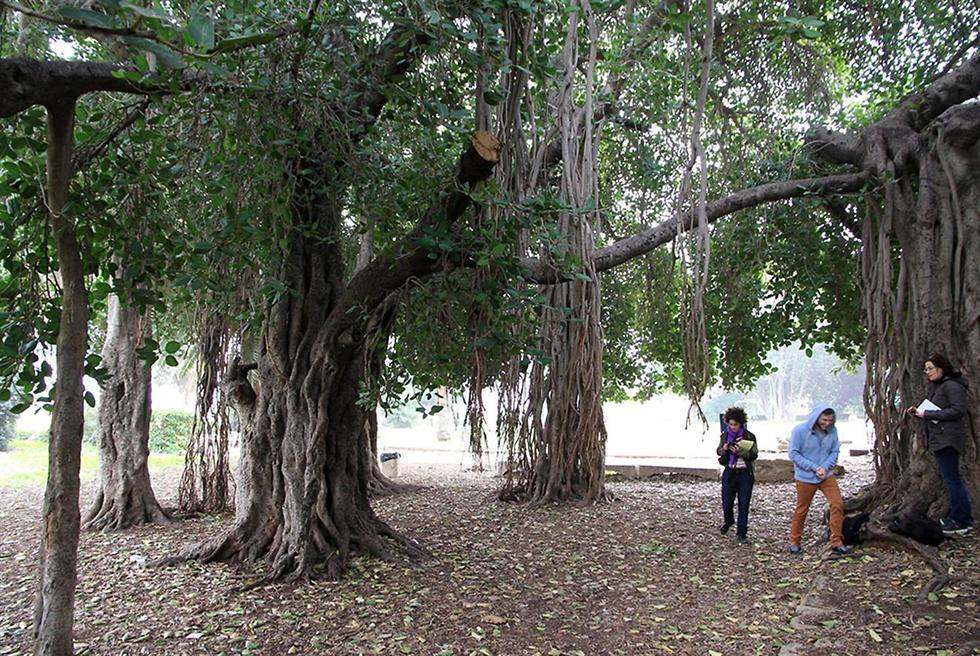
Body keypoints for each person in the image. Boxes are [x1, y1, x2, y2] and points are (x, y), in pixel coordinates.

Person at [908, 354, 974, 535]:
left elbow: (957, 410)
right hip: (938, 439)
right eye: (926, 369)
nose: (927, 372)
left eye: (930, 368)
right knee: (950, 479)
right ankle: (958, 516)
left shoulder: (952, 386)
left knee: (953, 480)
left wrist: (927, 414)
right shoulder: (937, 387)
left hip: (948, 439)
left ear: (941, 368)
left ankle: (962, 520)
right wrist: (919, 412)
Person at [788, 404, 851, 555]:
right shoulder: (800, 431)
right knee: (802, 509)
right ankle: (794, 542)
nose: (827, 423)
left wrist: (825, 467)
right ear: (816, 417)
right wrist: (814, 467)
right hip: (805, 476)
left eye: (830, 420)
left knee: (837, 504)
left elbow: (835, 451)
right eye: (824, 420)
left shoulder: (833, 431)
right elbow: (794, 454)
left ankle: (836, 541)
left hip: (826, 475)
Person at [716, 407, 759, 545]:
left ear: (741, 424)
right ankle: (728, 521)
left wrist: (741, 452)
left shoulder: (749, 436)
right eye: (731, 424)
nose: (733, 427)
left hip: (745, 473)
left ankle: (741, 533)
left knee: (744, 503)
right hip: (730, 472)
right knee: (727, 502)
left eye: (736, 424)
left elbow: (754, 454)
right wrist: (725, 449)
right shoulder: (725, 435)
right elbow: (718, 451)